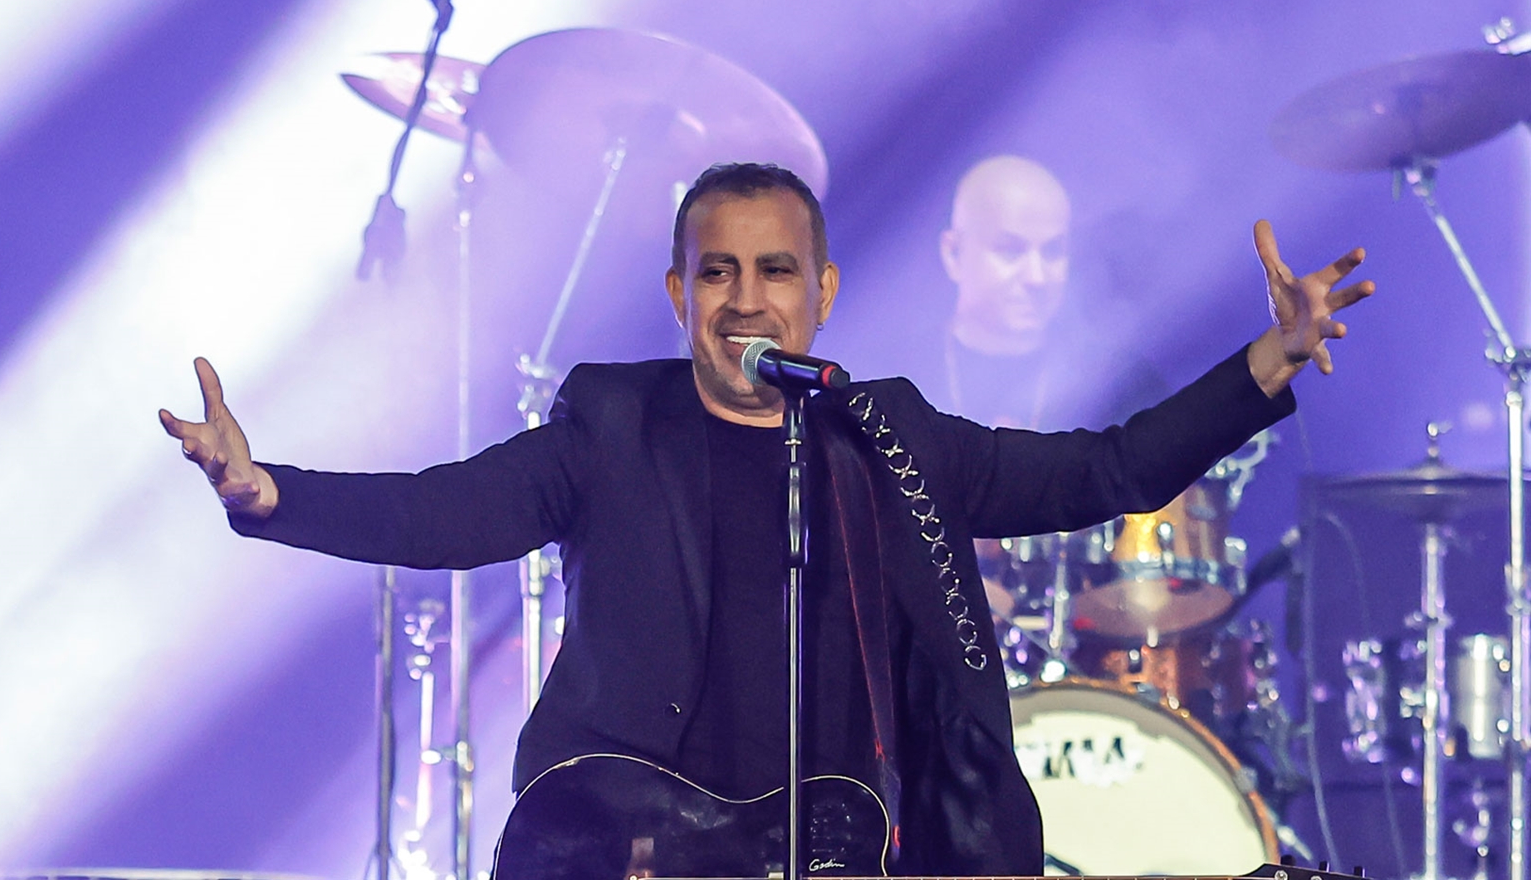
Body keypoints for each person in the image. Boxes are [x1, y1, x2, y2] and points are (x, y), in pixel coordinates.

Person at [159, 163, 1372, 876]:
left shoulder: (890, 437)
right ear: (679, 291)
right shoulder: (609, 425)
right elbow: (445, 510)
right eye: (719, 271)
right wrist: (273, 492)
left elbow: (1105, 469)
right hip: (631, 849)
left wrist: (1263, 363)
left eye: (776, 270)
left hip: (840, 847)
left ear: (822, 292)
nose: (747, 298)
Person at [937, 154, 1164, 430]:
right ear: (953, 253)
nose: (1037, 277)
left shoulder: (1122, 385)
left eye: (1052, 251)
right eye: (1010, 250)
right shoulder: (902, 375)